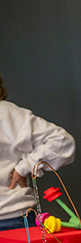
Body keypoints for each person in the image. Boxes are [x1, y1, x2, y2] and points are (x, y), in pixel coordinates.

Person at [0, 74, 75, 232]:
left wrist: (25, 166)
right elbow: (62, 141)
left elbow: (62, 141)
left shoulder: (6, 114)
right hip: (14, 215)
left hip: (11, 217)